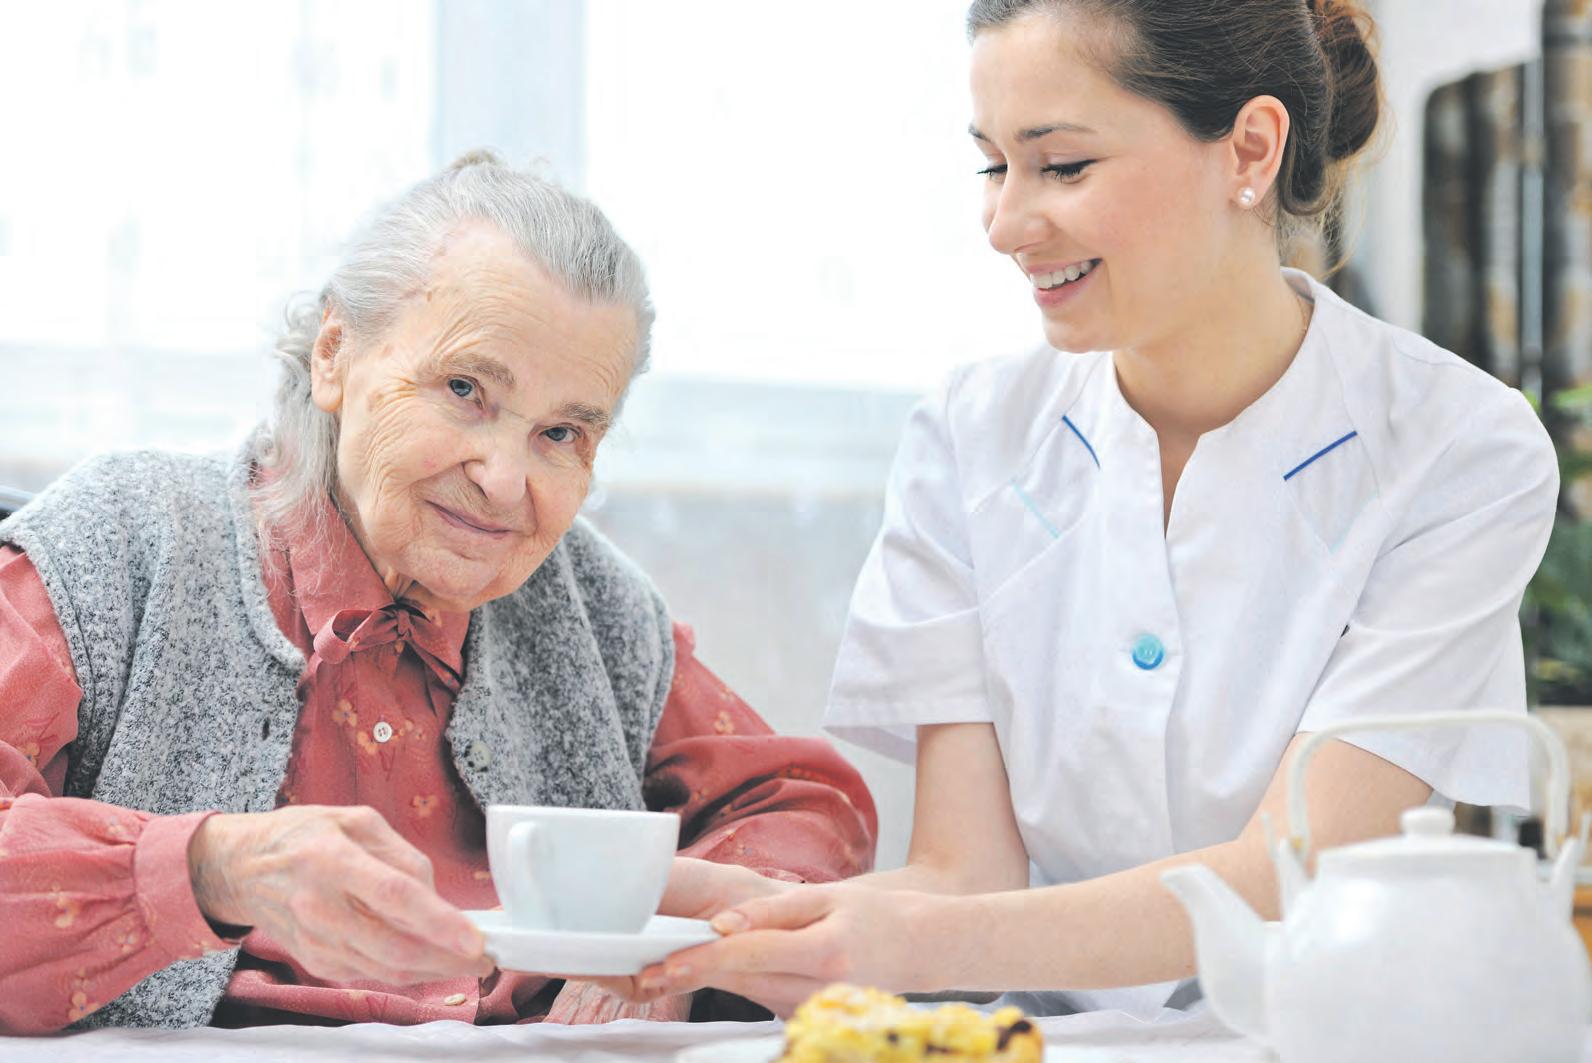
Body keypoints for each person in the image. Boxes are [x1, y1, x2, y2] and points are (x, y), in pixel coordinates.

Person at [624, 0, 1560, 1018]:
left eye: (1062, 165)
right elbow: (965, 876)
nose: (1003, 225)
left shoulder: (1458, 449)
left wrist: (917, 939)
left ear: (1249, 149)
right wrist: (745, 915)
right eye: (993, 166)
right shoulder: (969, 437)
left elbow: (1288, 875)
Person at [0, 151, 876, 1035]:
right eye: (465, 390)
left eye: (561, 433)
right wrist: (213, 868)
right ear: (335, 355)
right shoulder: (120, 543)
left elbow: (806, 805)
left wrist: (688, 942)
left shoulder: (594, 606)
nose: (503, 479)